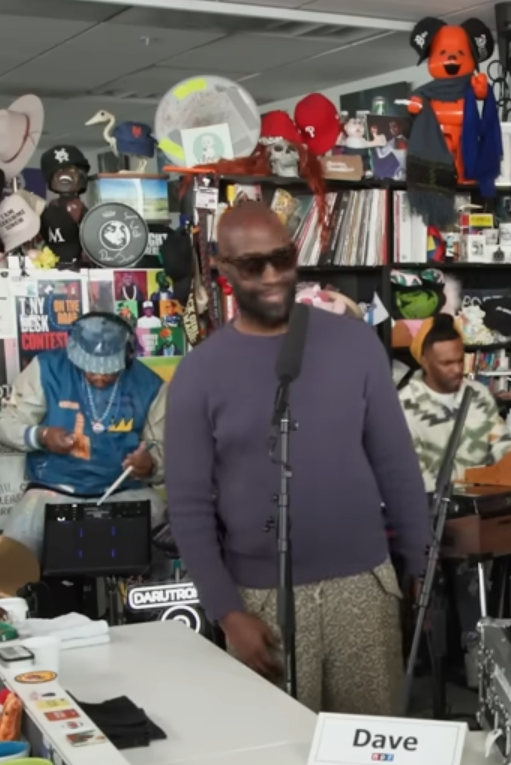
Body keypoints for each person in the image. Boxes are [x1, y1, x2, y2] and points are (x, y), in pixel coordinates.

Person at [165, 203, 430, 714]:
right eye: (252, 265)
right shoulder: (199, 374)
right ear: (223, 268)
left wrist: (419, 561)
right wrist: (228, 612)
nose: (271, 276)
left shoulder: (355, 344)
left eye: (282, 258)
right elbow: (189, 505)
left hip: (365, 586)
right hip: (260, 598)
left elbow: (394, 461)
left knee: (371, 755)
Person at [0, 313, 168, 557]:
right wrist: (40, 435)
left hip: (124, 490)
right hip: (53, 490)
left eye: (109, 370)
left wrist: (151, 465)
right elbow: (3, 424)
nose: (98, 377)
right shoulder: (46, 369)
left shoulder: (150, 385)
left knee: (167, 544)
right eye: (90, 368)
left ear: (128, 356)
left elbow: (162, 449)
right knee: (12, 555)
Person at [397, 314, 511, 491]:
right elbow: (414, 478)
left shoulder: (478, 394)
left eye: (460, 360)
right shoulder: (403, 407)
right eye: (446, 363)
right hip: (435, 511)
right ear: (424, 362)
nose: (457, 369)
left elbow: (504, 448)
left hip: (482, 502)